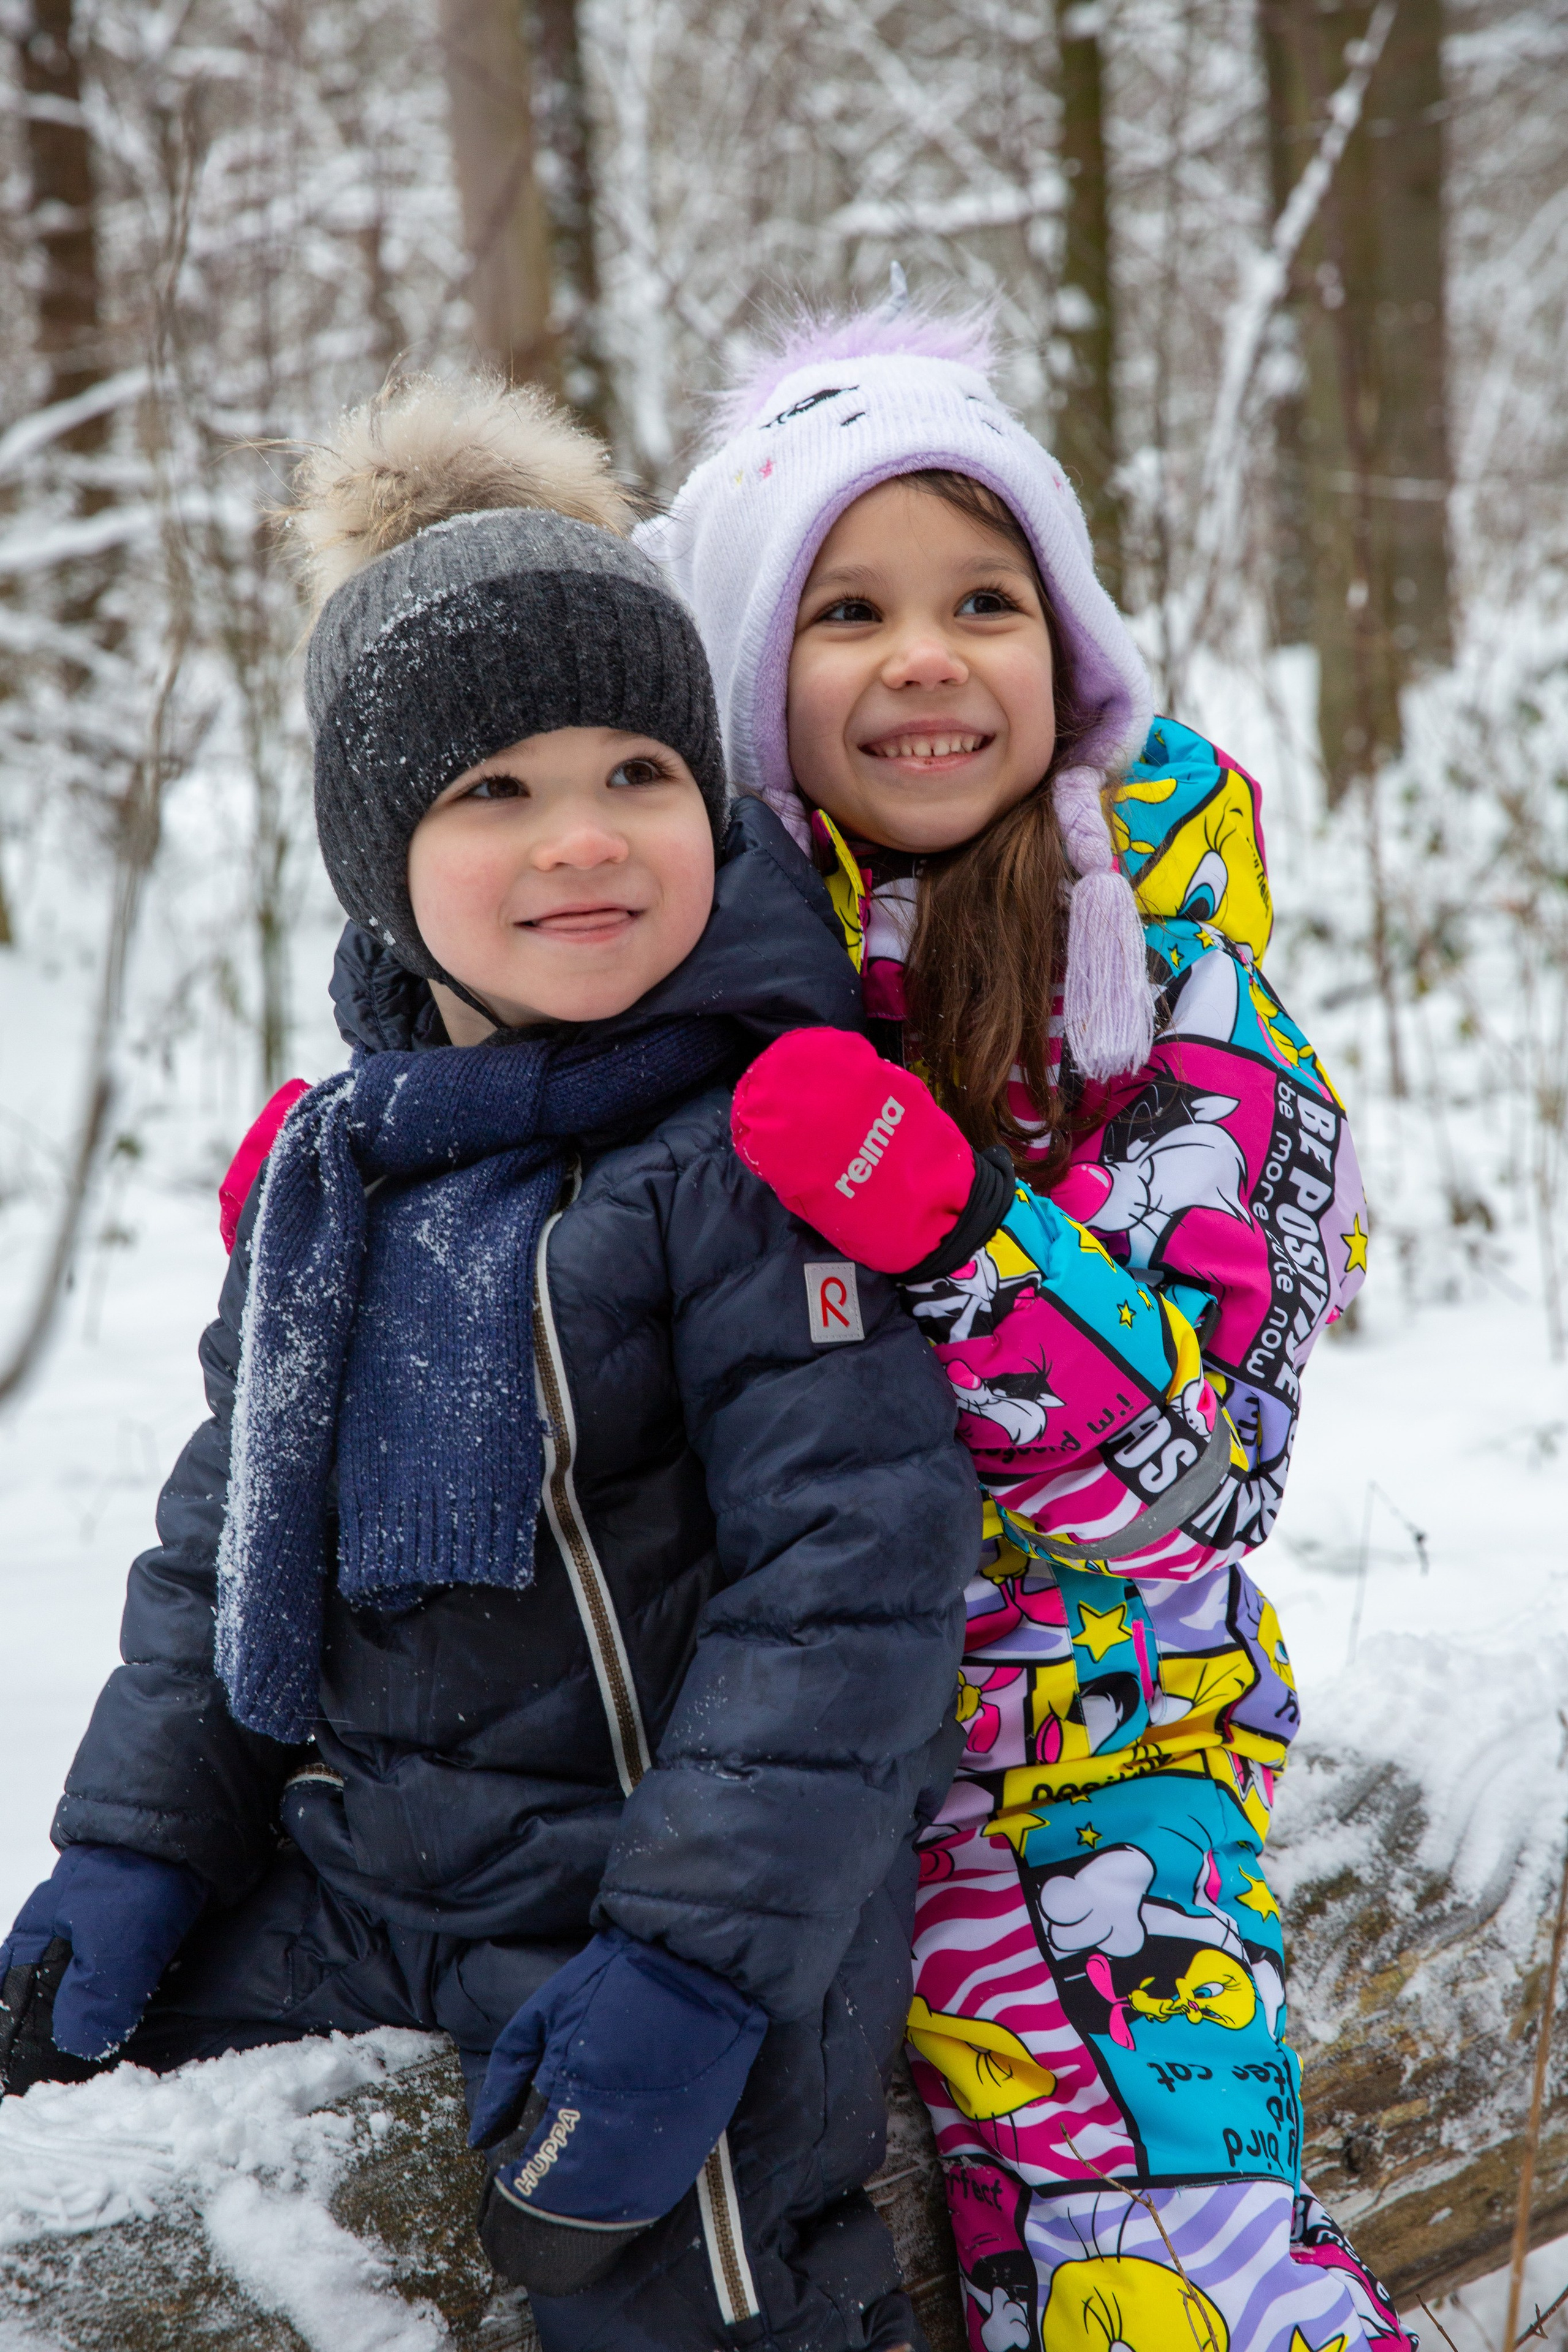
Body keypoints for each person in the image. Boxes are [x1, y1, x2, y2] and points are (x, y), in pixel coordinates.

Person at [0, 375, 981, 2352]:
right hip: (372, 1872)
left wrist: (693, 1971)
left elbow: (848, 1591)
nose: (584, 846)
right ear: (381, 855)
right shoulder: (343, 1170)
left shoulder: (751, 1149)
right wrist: (129, 1844)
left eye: (637, 774)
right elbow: (220, 1550)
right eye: (493, 795)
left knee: (683, 2290)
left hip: (668, 1907)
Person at [644, 306, 1411, 2352]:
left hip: (1068, 1766)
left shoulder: (1179, 991)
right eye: (848, 611)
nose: (925, 656)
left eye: (985, 599)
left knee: (1174, 2295)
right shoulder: (663, 969)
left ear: (1062, 652)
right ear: (744, 680)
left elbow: (1196, 1482)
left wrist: (954, 1217)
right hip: (729, 1776)